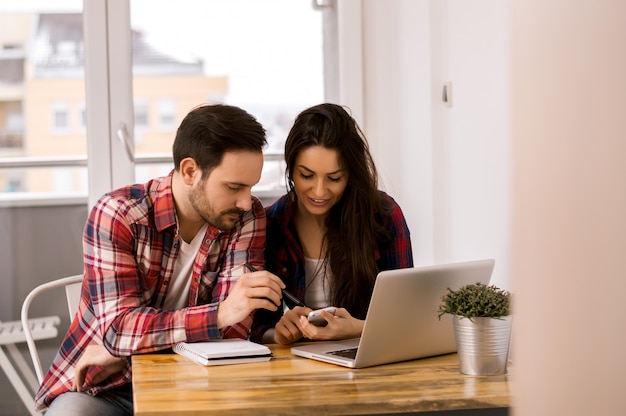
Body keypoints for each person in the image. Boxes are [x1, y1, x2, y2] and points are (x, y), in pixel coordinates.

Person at [37, 104, 286, 415]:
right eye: (234, 187)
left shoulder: (245, 216)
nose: (246, 200)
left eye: (251, 186)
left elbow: (233, 336)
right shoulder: (118, 214)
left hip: (198, 381)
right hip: (107, 388)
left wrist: (125, 349)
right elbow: (119, 330)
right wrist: (218, 314)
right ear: (190, 171)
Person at [251, 103, 413, 345]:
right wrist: (278, 333)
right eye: (306, 175)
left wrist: (358, 328)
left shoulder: (383, 215)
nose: (319, 191)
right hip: (299, 365)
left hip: (368, 359)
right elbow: (254, 326)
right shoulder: (270, 225)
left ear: (350, 174)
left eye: (334, 178)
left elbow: (405, 314)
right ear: (291, 170)